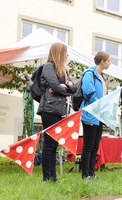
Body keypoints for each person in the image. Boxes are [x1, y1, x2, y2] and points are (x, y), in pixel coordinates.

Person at [37, 42, 77, 182]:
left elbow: (74, 89)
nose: (67, 55)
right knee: (49, 143)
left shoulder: (64, 70)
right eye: (65, 52)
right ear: (59, 53)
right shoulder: (49, 67)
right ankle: (47, 177)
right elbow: (55, 86)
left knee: (54, 144)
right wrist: (65, 87)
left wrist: (64, 86)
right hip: (49, 109)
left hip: (60, 110)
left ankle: (52, 176)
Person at [80, 51, 111, 179]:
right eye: (108, 60)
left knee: (95, 146)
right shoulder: (89, 73)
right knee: (88, 145)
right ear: (102, 61)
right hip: (90, 113)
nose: (110, 63)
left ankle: (91, 173)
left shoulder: (101, 76)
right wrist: (99, 104)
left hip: (99, 115)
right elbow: (88, 91)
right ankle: (85, 174)